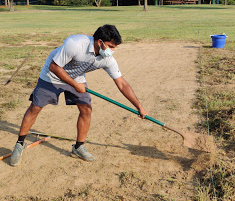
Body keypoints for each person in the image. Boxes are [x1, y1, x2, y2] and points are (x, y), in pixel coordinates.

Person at [9, 25, 148, 166]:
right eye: (110, 46)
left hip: (76, 77)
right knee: (36, 107)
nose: (112, 51)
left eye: (114, 48)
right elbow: (54, 67)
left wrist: (139, 107)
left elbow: (122, 84)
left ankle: (78, 147)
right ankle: (19, 144)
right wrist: (75, 85)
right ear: (100, 42)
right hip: (52, 75)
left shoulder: (107, 59)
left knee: (86, 109)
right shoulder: (75, 44)